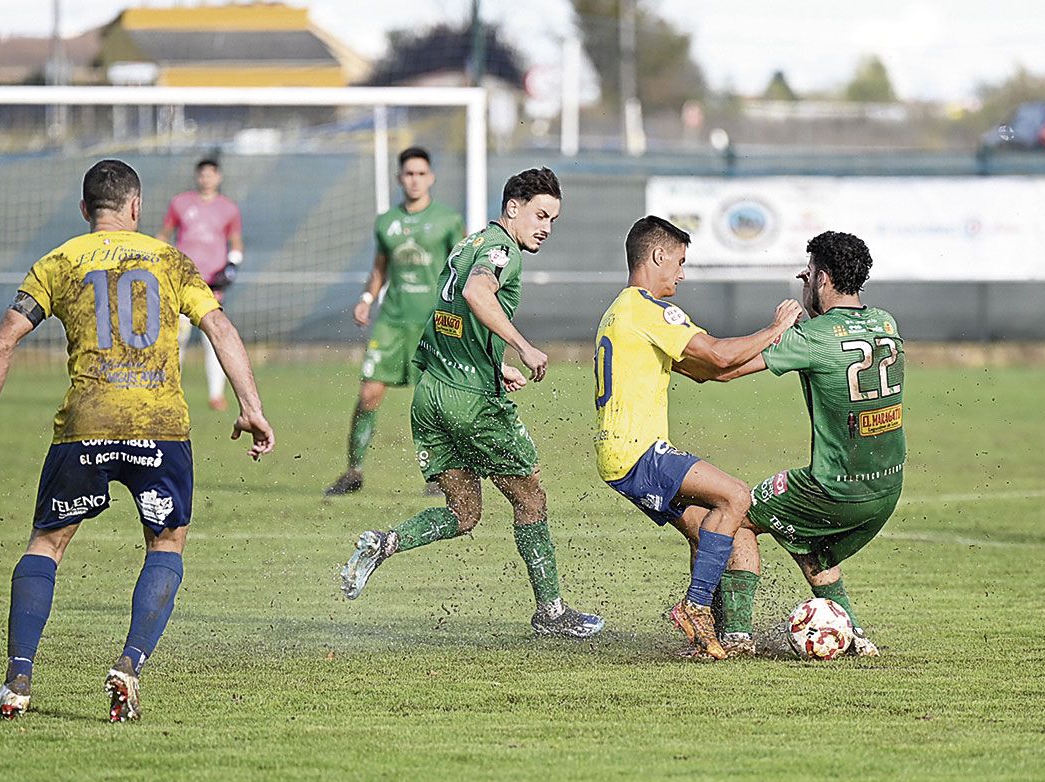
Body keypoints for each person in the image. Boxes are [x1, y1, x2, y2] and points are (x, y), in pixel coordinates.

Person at [0, 159, 275, 723]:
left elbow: (0, 344)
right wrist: (251, 405)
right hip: (160, 426)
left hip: (85, 427)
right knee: (166, 546)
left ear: (85, 210)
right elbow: (218, 326)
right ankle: (128, 665)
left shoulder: (58, 261)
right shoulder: (172, 261)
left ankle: (18, 680)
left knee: (47, 545)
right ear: (137, 208)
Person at [339, 168, 603, 638]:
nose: (546, 226)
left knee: (465, 513)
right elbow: (476, 293)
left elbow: (449, 316)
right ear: (513, 208)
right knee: (531, 497)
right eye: (541, 215)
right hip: (470, 403)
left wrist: (492, 362)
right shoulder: (502, 251)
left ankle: (385, 542)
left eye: (554, 219)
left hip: (432, 395)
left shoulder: (467, 245)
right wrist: (522, 345)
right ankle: (551, 611)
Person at [676, 231, 901, 658]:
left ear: (823, 279)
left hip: (833, 486)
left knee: (735, 511)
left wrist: (666, 358)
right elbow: (842, 345)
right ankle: (851, 635)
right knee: (808, 540)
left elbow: (722, 372)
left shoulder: (812, 338)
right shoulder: (886, 322)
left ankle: (737, 637)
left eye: (809, 271)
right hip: (886, 488)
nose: (803, 277)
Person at [592, 215, 802, 660]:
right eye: (681, 262)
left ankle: (710, 640)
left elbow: (713, 372)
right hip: (641, 450)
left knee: (705, 531)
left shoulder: (620, 312)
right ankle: (696, 605)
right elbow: (720, 352)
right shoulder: (648, 309)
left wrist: (780, 356)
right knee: (735, 498)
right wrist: (777, 328)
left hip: (618, 455)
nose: (683, 274)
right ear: (657, 255)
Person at [325, 147, 465, 497]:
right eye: (409, 174)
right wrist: (367, 299)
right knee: (369, 393)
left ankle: (437, 475)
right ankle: (353, 471)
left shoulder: (448, 220)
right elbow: (380, 268)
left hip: (430, 323)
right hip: (391, 320)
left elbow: (460, 268)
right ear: (399, 178)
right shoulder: (386, 221)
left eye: (421, 173)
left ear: (430, 177)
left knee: (430, 401)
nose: (414, 179)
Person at [158, 157, 244, 412]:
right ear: (197, 177)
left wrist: (232, 265)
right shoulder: (180, 203)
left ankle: (216, 395)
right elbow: (164, 234)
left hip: (212, 284)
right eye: (202, 174)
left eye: (211, 174)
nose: (206, 178)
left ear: (218, 177)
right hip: (182, 281)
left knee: (214, 338)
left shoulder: (228, 209)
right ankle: (170, 391)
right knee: (176, 338)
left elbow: (236, 242)